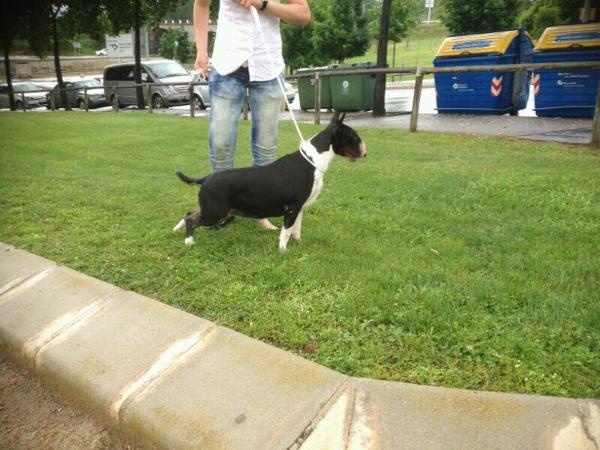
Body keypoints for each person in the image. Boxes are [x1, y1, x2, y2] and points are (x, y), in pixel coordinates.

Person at [193, 0, 310, 229]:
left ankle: (260, 212)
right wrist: (201, 52)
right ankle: (223, 205)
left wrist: (263, 3)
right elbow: (202, 5)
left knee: (266, 147)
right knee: (220, 143)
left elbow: (302, 15)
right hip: (227, 64)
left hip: (268, 66)